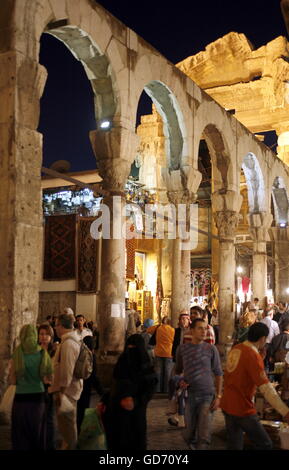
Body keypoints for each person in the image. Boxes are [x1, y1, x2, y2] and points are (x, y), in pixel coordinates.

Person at [220, 322, 289, 450]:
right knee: (265, 444)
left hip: (227, 403)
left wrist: (259, 359)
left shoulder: (237, 348)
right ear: (262, 338)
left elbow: (240, 373)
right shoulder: (252, 355)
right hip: (242, 408)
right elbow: (266, 388)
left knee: (234, 444)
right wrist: (284, 411)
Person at [103, 334, 157, 450]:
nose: (131, 350)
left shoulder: (145, 364)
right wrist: (104, 400)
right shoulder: (122, 361)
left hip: (135, 413)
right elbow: (114, 384)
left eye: (134, 347)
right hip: (116, 411)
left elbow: (149, 388)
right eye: (129, 346)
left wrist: (136, 401)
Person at [175, 318, 223, 450]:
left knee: (204, 436)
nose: (204, 331)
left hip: (207, 396)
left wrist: (218, 396)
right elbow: (177, 372)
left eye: (205, 328)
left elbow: (219, 373)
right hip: (190, 396)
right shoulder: (182, 349)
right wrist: (180, 381)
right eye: (200, 328)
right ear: (192, 330)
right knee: (189, 434)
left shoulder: (211, 349)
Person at [9, 324, 53, 450]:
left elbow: (12, 380)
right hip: (38, 398)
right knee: (37, 433)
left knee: (20, 434)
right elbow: (48, 379)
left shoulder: (17, 354)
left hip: (21, 398)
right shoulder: (43, 353)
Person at [49, 313, 83, 450]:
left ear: (62, 326)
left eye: (56, 325)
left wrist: (61, 393)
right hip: (67, 390)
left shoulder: (68, 343)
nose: (55, 328)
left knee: (68, 429)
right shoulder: (68, 340)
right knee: (65, 427)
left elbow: (66, 371)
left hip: (67, 392)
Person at [76, 336, 104, 432]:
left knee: (79, 410)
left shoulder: (79, 354)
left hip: (78, 386)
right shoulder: (91, 356)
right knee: (82, 411)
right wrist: (102, 392)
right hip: (85, 389)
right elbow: (93, 376)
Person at [38, 323, 57, 450]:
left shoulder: (55, 350)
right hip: (36, 387)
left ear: (51, 336)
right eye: (41, 334)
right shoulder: (35, 350)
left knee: (49, 418)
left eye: (46, 334)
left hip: (49, 387)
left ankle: (49, 445)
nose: (44, 337)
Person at [147, 316, 175, 393]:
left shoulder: (158, 328)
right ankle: (166, 391)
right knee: (167, 373)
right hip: (169, 353)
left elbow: (148, 330)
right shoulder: (172, 330)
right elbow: (173, 340)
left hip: (158, 352)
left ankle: (157, 390)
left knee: (158, 373)